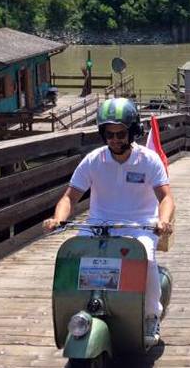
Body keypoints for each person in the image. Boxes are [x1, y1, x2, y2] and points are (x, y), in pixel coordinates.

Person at [43, 98, 175, 347]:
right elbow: (69, 196)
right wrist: (59, 218)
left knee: (145, 258)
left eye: (121, 133)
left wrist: (163, 220)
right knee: (73, 257)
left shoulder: (149, 160)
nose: (115, 139)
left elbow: (166, 197)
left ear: (133, 131)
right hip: (97, 224)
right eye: (109, 134)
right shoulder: (94, 160)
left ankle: (150, 316)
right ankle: (74, 310)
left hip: (139, 225)